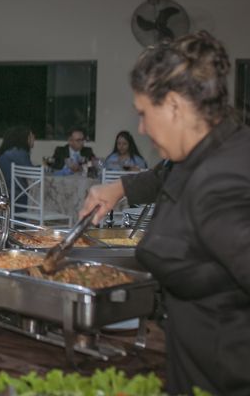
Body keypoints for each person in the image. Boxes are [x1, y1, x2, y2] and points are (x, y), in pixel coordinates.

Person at [79, 31, 250, 395]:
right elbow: (166, 174)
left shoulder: (221, 186)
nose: (140, 127)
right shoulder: (217, 143)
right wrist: (120, 188)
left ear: (174, 106)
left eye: (143, 113)